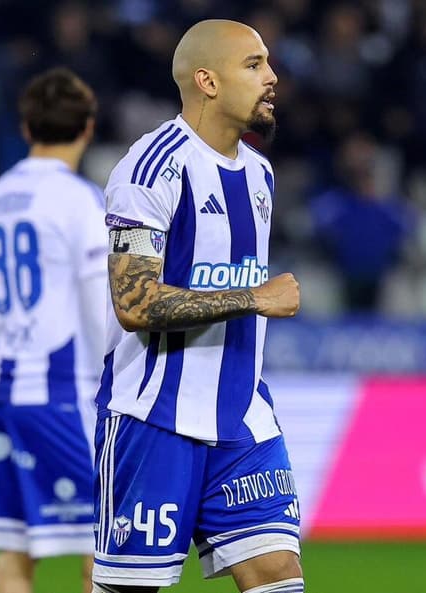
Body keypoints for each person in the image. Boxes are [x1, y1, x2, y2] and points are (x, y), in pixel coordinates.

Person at [95, 19, 303, 593]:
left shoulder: (259, 173)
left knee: (278, 578)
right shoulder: (150, 168)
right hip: (155, 419)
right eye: (254, 65)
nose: (272, 77)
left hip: (241, 418)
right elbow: (133, 303)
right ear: (208, 81)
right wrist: (253, 298)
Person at [0, 67, 109, 593]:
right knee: (107, 546)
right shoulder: (78, 200)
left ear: (26, 128)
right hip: (60, 393)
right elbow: (102, 303)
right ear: (89, 128)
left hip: (1, 390)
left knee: (15, 554)